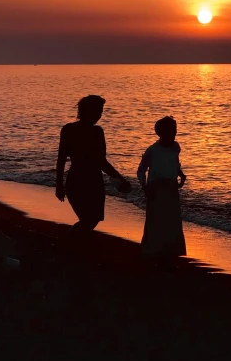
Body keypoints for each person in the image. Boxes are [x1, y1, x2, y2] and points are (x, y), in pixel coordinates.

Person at [55, 95, 131, 238]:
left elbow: (101, 161)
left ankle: (72, 245)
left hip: (93, 180)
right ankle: (68, 244)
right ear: (86, 111)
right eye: (98, 111)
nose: (99, 115)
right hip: (78, 180)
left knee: (92, 219)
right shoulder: (70, 129)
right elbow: (62, 158)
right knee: (88, 219)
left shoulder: (96, 131)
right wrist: (59, 184)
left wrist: (118, 177)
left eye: (101, 111)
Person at [137, 116, 187, 266]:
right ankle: (152, 252)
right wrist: (144, 186)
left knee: (172, 221)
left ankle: (170, 252)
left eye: (175, 129)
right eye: (172, 129)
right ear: (161, 133)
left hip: (171, 187)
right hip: (156, 188)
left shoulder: (175, 147)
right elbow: (141, 170)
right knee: (155, 220)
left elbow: (174, 164)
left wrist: (181, 175)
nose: (175, 132)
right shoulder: (153, 150)